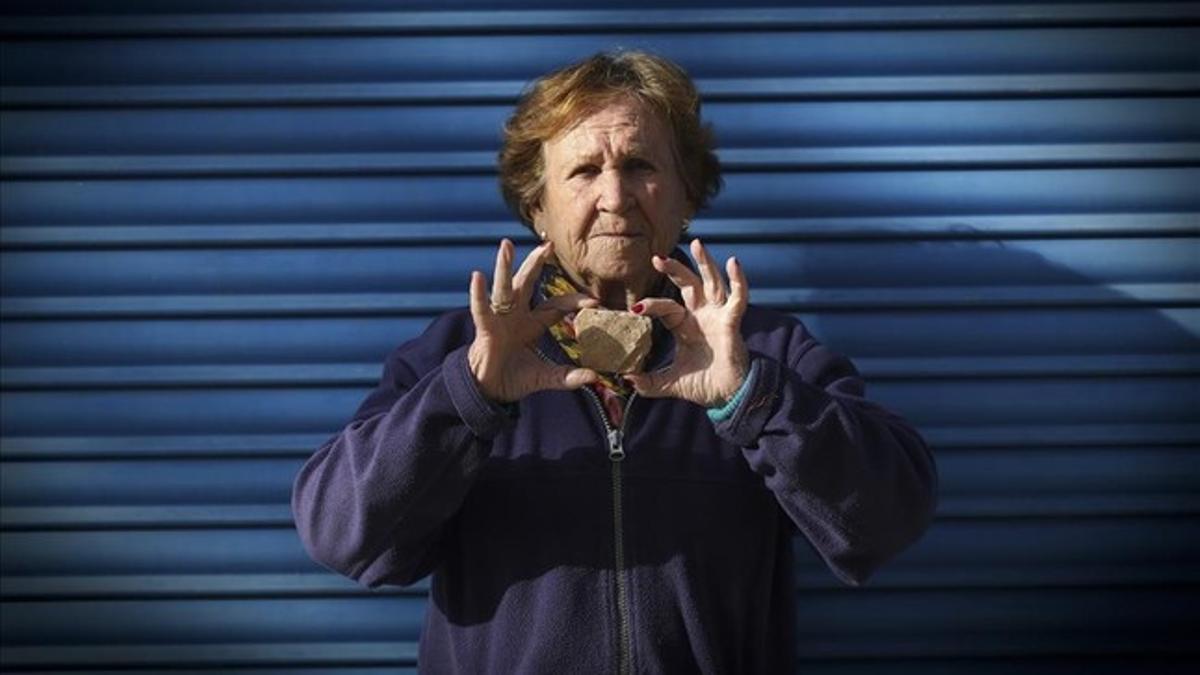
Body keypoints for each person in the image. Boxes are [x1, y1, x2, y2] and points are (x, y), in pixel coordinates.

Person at [292, 50, 937, 673]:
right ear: (537, 208)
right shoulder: (463, 351)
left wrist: (749, 398)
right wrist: (472, 396)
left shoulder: (761, 349)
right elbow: (342, 535)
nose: (616, 195)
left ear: (686, 195)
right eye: (582, 172)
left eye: (640, 165)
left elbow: (889, 520)